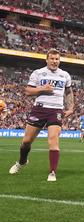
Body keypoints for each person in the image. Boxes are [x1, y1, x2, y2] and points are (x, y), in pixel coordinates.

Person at [8, 49, 74, 182]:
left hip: (56, 111)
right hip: (39, 109)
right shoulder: (38, 73)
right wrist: (42, 89)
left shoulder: (65, 75)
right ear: (47, 59)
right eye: (52, 59)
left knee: (53, 140)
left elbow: (69, 92)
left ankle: (52, 172)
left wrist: (71, 107)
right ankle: (22, 161)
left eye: (57, 59)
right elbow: (27, 91)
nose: (55, 61)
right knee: (26, 142)